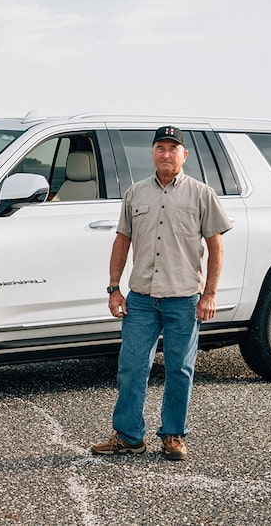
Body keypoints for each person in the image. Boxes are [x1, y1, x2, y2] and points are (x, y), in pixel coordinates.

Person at [91, 125, 233, 461]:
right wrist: (114, 289)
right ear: (152, 153)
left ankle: (173, 435)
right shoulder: (136, 193)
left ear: (184, 154)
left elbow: (216, 247)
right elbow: (121, 241)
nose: (166, 153)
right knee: (131, 367)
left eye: (173, 148)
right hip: (140, 298)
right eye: (160, 148)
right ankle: (129, 436)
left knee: (179, 370)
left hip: (183, 299)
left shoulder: (201, 194)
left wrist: (209, 294)